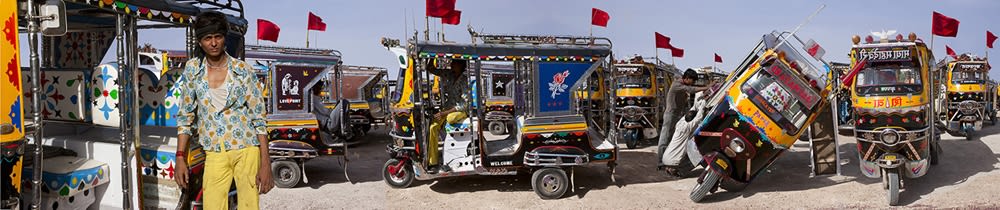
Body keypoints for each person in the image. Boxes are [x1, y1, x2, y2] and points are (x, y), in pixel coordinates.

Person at [174, 11, 273, 210]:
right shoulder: (193, 69)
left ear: (224, 38)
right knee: (212, 205)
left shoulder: (243, 69)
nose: (213, 43)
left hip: (246, 149)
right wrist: (180, 158)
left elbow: (259, 119)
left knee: (248, 206)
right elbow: (185, 117)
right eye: (207, 38)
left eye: (217, 37)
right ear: (200, 41)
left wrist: (266, 163)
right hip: (214, 151)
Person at [656, 69, 713, 171]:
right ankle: (661, 162)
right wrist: (707, 87)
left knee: (672, 138)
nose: (693, 83)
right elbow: (691, 89)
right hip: (670, 114)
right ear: (687, 78)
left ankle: (666, 161)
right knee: (664, 138)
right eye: (692, 81)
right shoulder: (677, 85)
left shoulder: (681, 84)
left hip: (676, 114)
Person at [426, 59, 469, 173]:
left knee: (450, 119)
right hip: (448, 109)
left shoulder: (464, 80)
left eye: (454, 63)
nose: (451, 64)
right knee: (433, 126)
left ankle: (450, 153)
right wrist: (431, 57)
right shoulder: (449, 74)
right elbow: (431, 69)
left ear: (460, 66)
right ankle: (433, 162)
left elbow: (464, 104)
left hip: (460, 111)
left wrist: (444, 113)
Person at [661, 91, 710, 177]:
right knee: (697, 156)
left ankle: (670, 168)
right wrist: (703, 104)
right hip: (673, 161)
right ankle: (679, 171)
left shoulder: (680, 122)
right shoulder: (688, 127)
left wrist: (700, 98)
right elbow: (699, 117)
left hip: (665, 158)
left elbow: (692, 110)